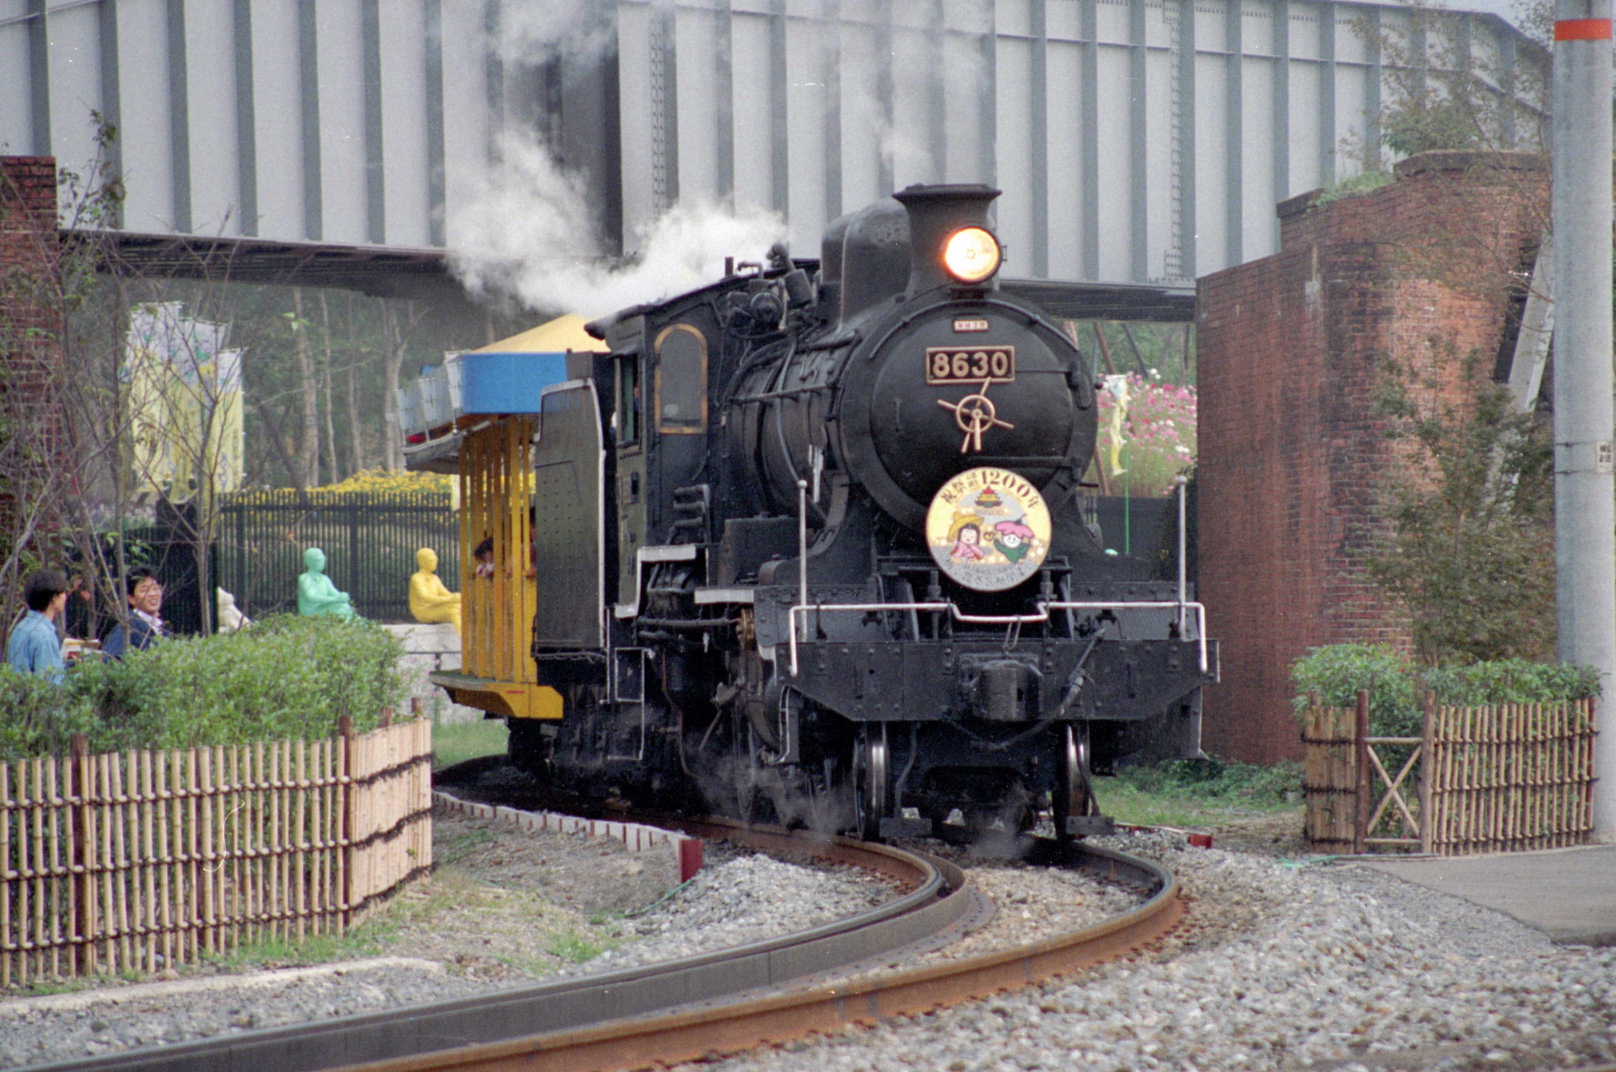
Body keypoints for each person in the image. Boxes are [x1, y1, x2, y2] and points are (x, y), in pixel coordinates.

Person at [7, 569, 68, 682]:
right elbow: (50, 683)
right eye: (63, 592)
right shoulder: (44, 635)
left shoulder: (20, 628)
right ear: (54, 598)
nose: (65, 596)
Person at [103, 568, 168, 659]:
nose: (152, 594)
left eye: (156, 588)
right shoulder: (128, 627)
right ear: (131, 599)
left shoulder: (162, 629)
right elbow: (110, 660)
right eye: (144, 590)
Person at [409, 547, 462, 632]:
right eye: (431, 560)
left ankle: (474, 634)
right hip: (423, 611)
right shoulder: (417, 578)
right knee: (453, 610)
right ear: (422, 562)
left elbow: (446, 594)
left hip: (435, 607)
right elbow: (426, 598)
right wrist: (450, 599)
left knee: (460, 606)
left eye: (435, 560)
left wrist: (456, 597)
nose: (435, 562)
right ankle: (464, 637)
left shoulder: (435, 578)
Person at [297, 547, 356, 618]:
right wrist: (335, 599)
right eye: (318, 560)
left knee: (343, 606)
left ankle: (356, 622)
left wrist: (342, 596)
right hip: (311, 611)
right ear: (309, 562)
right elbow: (311, 597)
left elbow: (334, 593)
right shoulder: (304, 578)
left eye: (322, 560)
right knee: (339, 608)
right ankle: (353, 622)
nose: (322, 562)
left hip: (322, 608)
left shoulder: (324, 578)